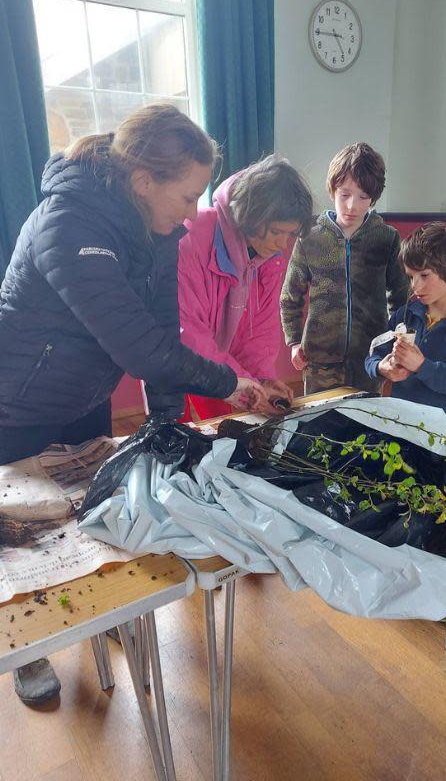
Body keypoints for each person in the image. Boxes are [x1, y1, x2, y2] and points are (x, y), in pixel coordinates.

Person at [0, 104, 266, 706]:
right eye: (189, 193)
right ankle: (30, 647)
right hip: (17, 404)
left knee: (94, 517)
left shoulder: (161, 229)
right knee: (24, 538)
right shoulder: (66, 224)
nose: (196, 211)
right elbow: (142, 349)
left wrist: (166, 428)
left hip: (82, 397)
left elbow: (163, 336)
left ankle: (101, 608)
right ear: (144, 180)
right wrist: (230, 383)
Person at [177, 154, 315, 419]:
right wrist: (239, 384)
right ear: (252, 218)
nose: (283, 245)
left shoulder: (269, 256)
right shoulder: (192, 237)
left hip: (218, 357)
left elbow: (259, 332)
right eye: (277, 233)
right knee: (172, 433)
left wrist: (261, 380)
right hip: (174, 356)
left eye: (291, 234)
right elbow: (188, 332)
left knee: (223, 425)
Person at [280, 142, 408, 394]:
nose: (352, 206)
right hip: (319, 358)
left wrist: (396, 341)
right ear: (332, 190)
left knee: (366, 423)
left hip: (371, 357)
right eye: (345, 194)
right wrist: (294, 341)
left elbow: (400, 297)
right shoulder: (310, 237)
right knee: (319, 422)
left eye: (363, 197)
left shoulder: (387, 238)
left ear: (374, 197)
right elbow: (290, 296)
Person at [365, 222, 446, 424]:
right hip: (398, 420)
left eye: (424, 275)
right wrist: (381, 367)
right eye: (410, 276)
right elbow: (372, 356)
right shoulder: (404, 315)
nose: (415, 286)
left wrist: (423, 367)